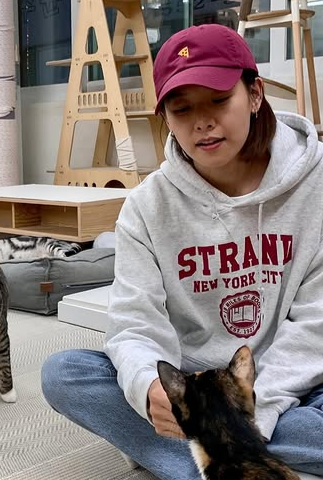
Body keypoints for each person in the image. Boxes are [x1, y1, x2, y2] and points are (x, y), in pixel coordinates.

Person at [41, 23, 323, 479]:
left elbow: (316, 326)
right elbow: (133, 324)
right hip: (192, 391)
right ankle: (234, 462)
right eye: (182, 108)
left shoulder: (316, 184)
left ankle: (200, 461)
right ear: (166, 117)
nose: (202, 122)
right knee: (64, 374)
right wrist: (148, 388)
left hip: (291, 385)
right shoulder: (146, 207)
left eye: (219, 100)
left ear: (255, 94)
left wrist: (255, 411)